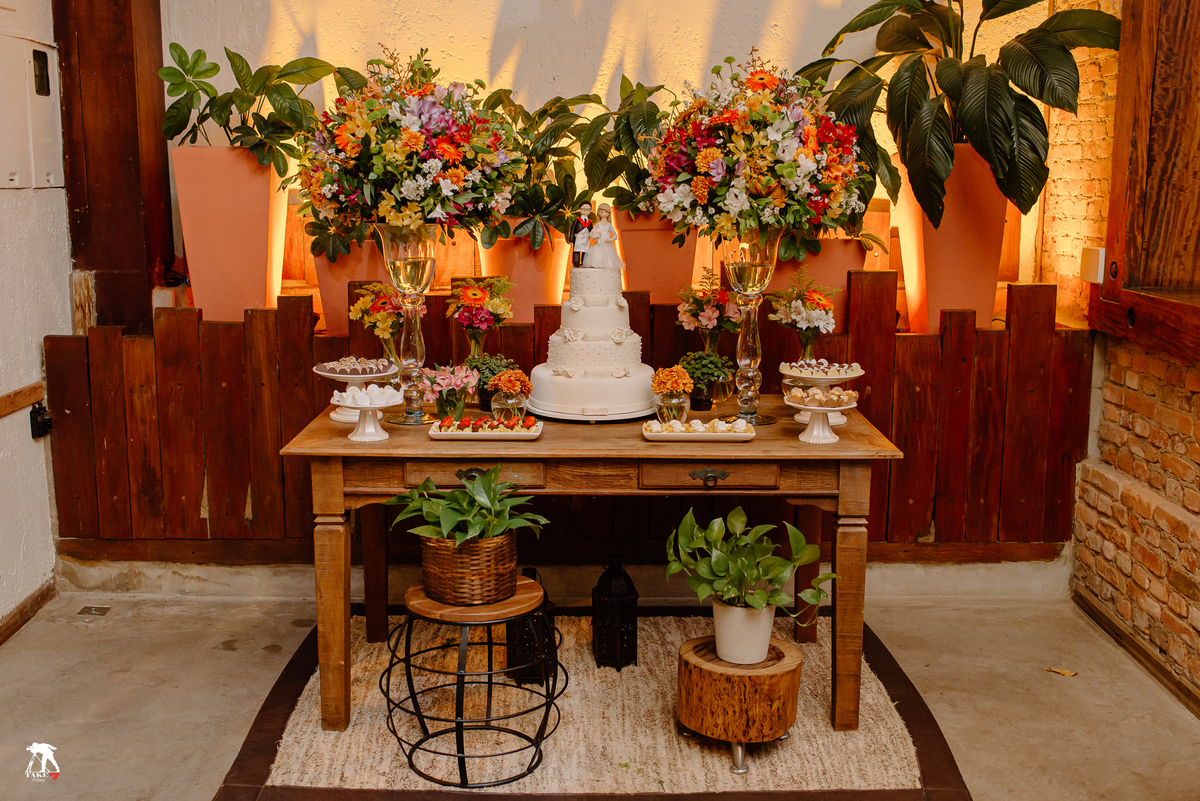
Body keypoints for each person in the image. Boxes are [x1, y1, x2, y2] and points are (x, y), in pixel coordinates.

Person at [583, 203, 625, 269]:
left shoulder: (609, 225)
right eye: (602, 212)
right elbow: (591, 233)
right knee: (598, 254)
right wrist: (595, 238)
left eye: (605, 212)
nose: (603, 213)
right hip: (599, 243)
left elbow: (615, 236)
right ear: (598, 213)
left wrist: (610, 240)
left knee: (608, 256)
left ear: (608, 214)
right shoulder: (598, 224)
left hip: (607, 243)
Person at [569, 202, 594, 267]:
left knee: (585, 251)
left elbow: (592, 230)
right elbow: (572, 230)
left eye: (588, 209)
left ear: (590, 211)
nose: (586, 211)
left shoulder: (590, 222)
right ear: (580, 210)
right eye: (584, 209)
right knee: (577, 250)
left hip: (586, 238)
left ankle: (584, 262)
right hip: (578, 238)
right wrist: (571, 240)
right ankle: (576, 262)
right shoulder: (577, 220)